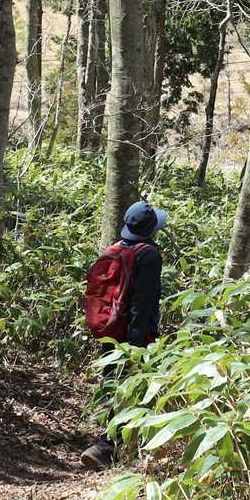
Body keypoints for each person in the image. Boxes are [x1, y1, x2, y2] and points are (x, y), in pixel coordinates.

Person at [81, 199, 166, 471]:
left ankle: (110, 443)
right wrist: (137, 345)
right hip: (133, 336)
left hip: (110, 330)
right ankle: (107, 447)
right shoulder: (148, 255)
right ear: (151, 230)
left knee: (112, 383)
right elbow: (142, 303)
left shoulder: (115, 248)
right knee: (130, 390)